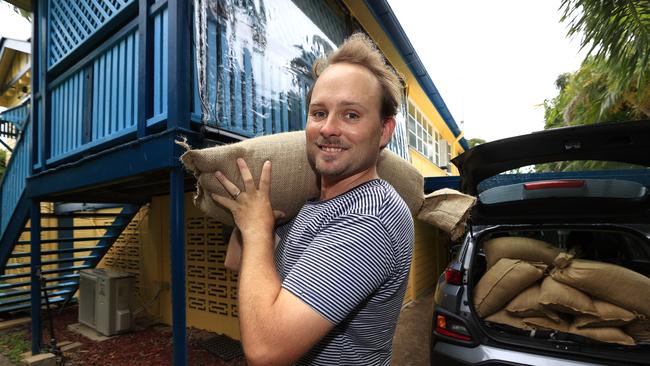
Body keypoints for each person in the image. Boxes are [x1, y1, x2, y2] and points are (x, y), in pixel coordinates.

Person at [211, 32, 414, 366]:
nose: (328, 128)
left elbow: (265, 349)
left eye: (351, 115)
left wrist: (260, 231)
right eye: (319, 113)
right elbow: (236, 263)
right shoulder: (313, 205)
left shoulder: (370, 217)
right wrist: (249, 225)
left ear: (384, 131)